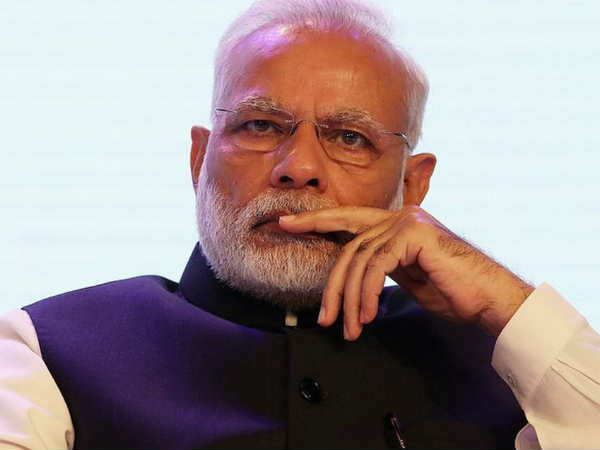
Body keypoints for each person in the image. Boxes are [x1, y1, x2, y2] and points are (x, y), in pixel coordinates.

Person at [1, 0, 599, 448]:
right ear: (199, 160)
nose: (300, 168)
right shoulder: (44, 352)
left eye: (350, 137)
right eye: (260, 125)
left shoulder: (517, 370)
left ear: (413, 187)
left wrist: (510, 307)